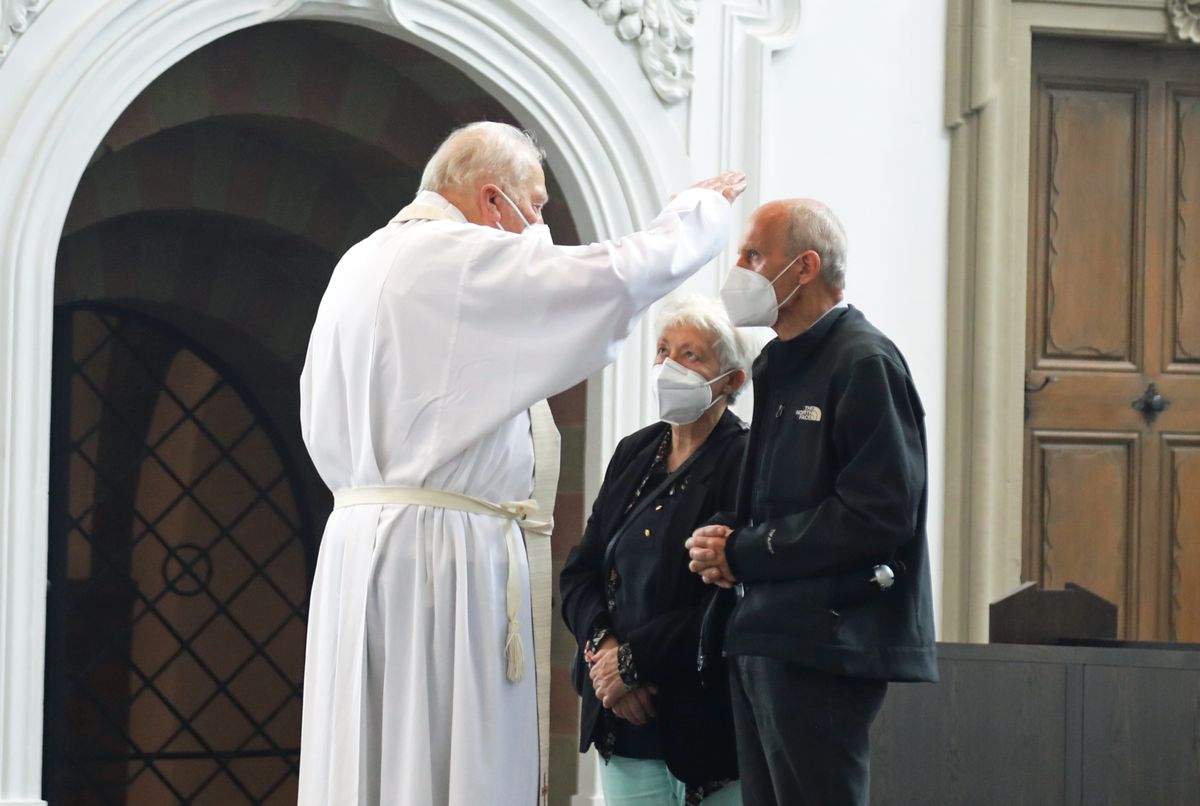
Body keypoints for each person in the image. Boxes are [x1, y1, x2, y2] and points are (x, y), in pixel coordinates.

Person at [297, 120, 746, 806]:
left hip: (358, 553)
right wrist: (697, 214)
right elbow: (609, 275)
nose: (540, 226)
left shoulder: (356, 265)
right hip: (440, 562)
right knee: (443, 764)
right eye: (534, 206)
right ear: (489, 201)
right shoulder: (459, 255)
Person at [685, 199, 938, 806]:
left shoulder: (863, 361)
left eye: (752, 255)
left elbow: (878, 515)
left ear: (803, 268)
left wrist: (745, 551)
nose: (739, 269)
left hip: (826, 644)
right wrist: (724, 537)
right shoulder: (777, 361)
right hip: (762, 635)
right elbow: (777, 495)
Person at [560, 294, 753, 806]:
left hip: (707, 720)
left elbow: (726, 596)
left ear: (732, 380)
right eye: (663, 350)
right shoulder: (635, 452)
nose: (670, 365)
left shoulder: (748, 460)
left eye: (691, 355)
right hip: (622, 721)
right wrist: (604, 650)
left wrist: (633, 662)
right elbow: (580, 574)